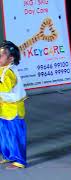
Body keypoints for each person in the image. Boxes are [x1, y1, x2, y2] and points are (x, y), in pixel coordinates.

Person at [0, 40, 27, 169]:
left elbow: (6, 87)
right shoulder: (2, 69)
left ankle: (19, 160)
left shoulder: (9, 71)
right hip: (4, 108)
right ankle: (8, 156)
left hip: (13, 109)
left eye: (1, 55)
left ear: (11, 59)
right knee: (4, 134)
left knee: (15, 134)